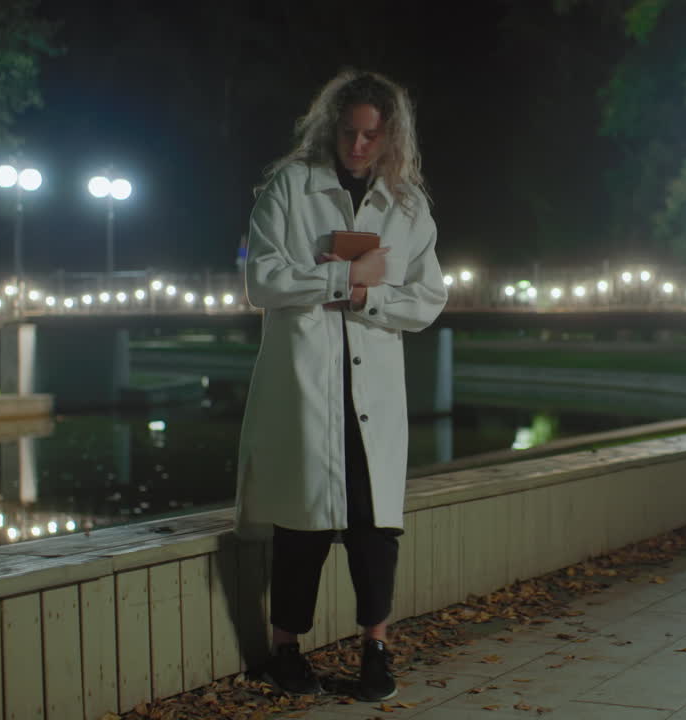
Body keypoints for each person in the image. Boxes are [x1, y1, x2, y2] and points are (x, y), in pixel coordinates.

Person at [235, 68, 447, 701]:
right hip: (307, 385)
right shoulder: (290, 188)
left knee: (375, 529)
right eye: (350, 132)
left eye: (371, 136)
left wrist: (366, 295)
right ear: (332, 128)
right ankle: (284, 649)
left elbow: (428, 297)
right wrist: (343, 281)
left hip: (374, 393)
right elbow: (263, 281)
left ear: (390, 138)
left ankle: (375, 647)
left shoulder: (408, 206)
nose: (358, 146)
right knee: (302, 526)